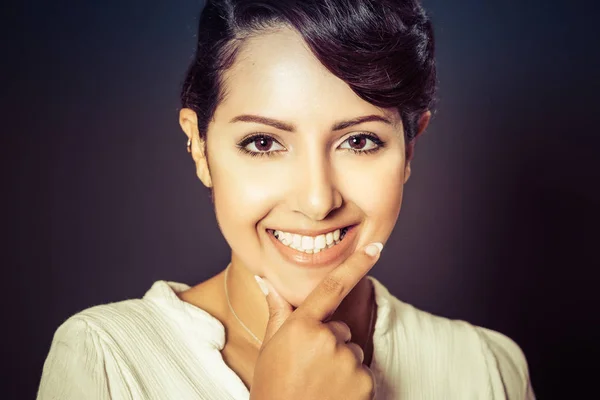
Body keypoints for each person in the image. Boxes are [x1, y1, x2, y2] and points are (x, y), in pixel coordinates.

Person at [37, 0, 535, 399]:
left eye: (359, 141)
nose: (318, 201)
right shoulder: (107, 361)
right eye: (263, 142)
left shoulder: (488, 368)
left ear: (410, 149)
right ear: (199, 146)